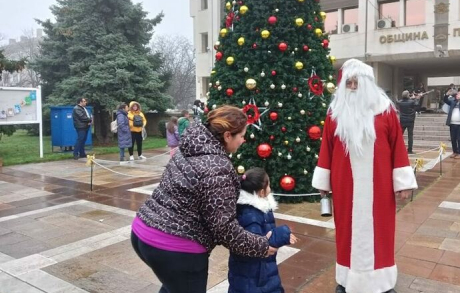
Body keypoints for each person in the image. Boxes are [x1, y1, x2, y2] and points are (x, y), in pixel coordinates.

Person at [131, 106, 276, 293]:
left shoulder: (191, 146)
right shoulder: (217, 166)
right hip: (175, 248)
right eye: (241, 135)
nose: (243, 140)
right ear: (227, 136)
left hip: (143, 232)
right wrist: (261, 246)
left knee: (172, 287)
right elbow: (224, 228)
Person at [312, 59, 417, 293]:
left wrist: (403, 183)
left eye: (356, 82)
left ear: (367, 83)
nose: (351, 86)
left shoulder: (385, 110)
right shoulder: (335, 112)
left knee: (381, 232)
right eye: (348, 82)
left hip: (379, 186)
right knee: (346, 232)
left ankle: (381, 281)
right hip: (344, 185)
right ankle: (347, 280)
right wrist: (323, 182)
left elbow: (398, 146)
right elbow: (326, 149)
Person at [228, 167, 298, 293]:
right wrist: (281, 234)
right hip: (256, 277)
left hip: (256, 274)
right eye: (269, 185)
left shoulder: (258, 208)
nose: (270, 188)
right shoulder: (251, 215)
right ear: (261, 192)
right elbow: (255, 245)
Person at [443, 90, 460, 159]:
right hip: (452, 124)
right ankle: (455, 152)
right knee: (453, 139)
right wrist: (446, 94)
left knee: (459, 138)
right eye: (457, 94)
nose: (458, 95)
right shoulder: (453, 102)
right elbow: (445, 100)